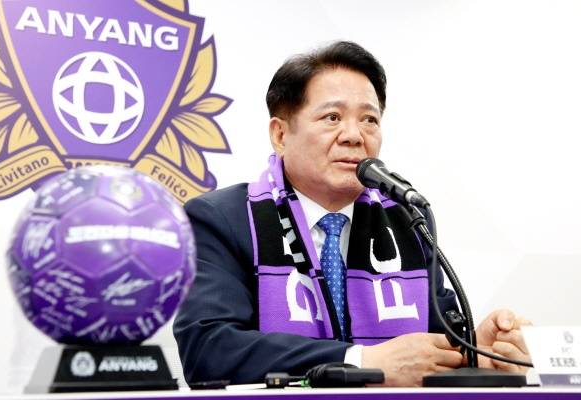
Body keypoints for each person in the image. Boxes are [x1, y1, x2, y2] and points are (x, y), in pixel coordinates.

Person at [173, 41, 531, 386]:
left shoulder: (407, 221)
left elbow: (431, 349)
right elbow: (209, 349)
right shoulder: (222, 219)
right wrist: (360, 362)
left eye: (369, 120)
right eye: (332, 117)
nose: (354, 135)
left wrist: (475, 350)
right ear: (280, 135)